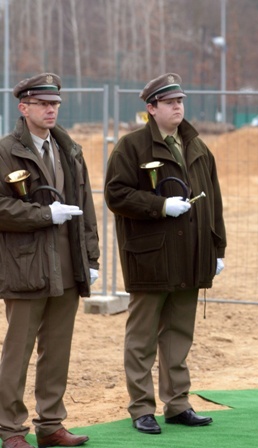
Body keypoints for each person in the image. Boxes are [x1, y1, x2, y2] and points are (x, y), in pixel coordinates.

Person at [104, 73, 227, 435]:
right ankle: (142, 408)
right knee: (142, 337)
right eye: (170, 102)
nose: (178, 107)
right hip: (151, 256)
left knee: (178, 334)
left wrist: (217, 248)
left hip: (190, 255)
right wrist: (159, 206)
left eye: (180, 101)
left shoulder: (197, 146)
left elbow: (214, 202)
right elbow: (116, 195)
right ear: (151, 108)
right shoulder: (132, 146)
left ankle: (177, 404)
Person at [0, 73, 99, 448]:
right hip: (25, 265)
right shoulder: (5, 150)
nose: (51, 109)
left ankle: (51, 425)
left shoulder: (69, 149)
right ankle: (10, 429)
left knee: (57, 350)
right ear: (23, 107)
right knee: (18, 352)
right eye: (43, 103)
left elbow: (86, 206)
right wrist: (44, 215)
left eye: (55, 104)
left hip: (67, 265)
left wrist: (91, 257)